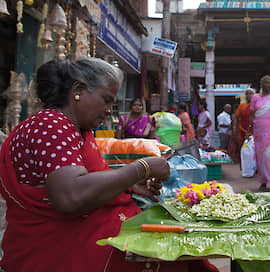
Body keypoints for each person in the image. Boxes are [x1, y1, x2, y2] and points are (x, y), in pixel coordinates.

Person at [0, 59, 218, 271]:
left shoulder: (77, 130)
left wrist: (129, 187)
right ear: (78, 90)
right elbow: (70, 195)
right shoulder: (51, 124)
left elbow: (86, 178)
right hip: (56, 248)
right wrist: (142, 168)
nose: (109, 111)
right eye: (106, 100)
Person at [246, 75, 270, 192]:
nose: (268, 85)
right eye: (266, 83)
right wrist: (248, 130)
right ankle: (265, 181)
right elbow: (252, 115)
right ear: (261, 84)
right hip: (260, 131)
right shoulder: (255, 98)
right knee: (263, 157)